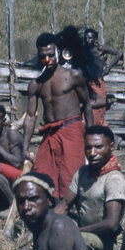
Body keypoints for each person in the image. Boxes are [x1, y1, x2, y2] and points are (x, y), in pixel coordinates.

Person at [22, 29, 94, 201]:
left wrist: (90, 136)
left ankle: (75, 213)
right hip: (50, 134)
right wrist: (25, 145)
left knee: (72, 174)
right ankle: (53, 211)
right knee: (43, 172)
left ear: (57, 52)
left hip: (72, 130)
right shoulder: (36, 84)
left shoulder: (73, 76)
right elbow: (30, 116)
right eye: (42, 56)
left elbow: (88, 106)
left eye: (50, 55)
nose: (47, 60)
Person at [52, 125, 125, 250]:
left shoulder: (114, 179)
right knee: (58, 227)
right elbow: (64, 205)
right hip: (86, 231)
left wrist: (76, 232)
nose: (93, 153)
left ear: (111, 146)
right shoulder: (83, 172)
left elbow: (111, 225)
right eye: (88, 148)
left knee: (74, 239)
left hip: (109, 241)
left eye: (99, 147)